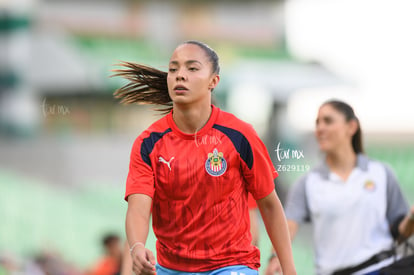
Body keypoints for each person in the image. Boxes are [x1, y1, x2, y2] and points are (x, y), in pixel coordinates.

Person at [113, 40, 296, 275]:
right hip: (171, 268)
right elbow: (138, 209)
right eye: (173, 69)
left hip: (232, 265)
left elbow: (270, 206)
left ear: (214, 81)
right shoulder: (148, 143)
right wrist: (137, 246)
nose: (180, 75)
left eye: (192, 68)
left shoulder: (241, 136)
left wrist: (290, 271)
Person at [265, 100, 414, 275]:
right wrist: (275, 257)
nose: (320, 128)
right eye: (317, 123)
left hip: (379, 268)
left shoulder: (381, 173)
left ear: (351, 127)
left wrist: (411, 217)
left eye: (328, 121)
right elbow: (287, 227)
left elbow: (401, 233)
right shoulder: (308, 183)